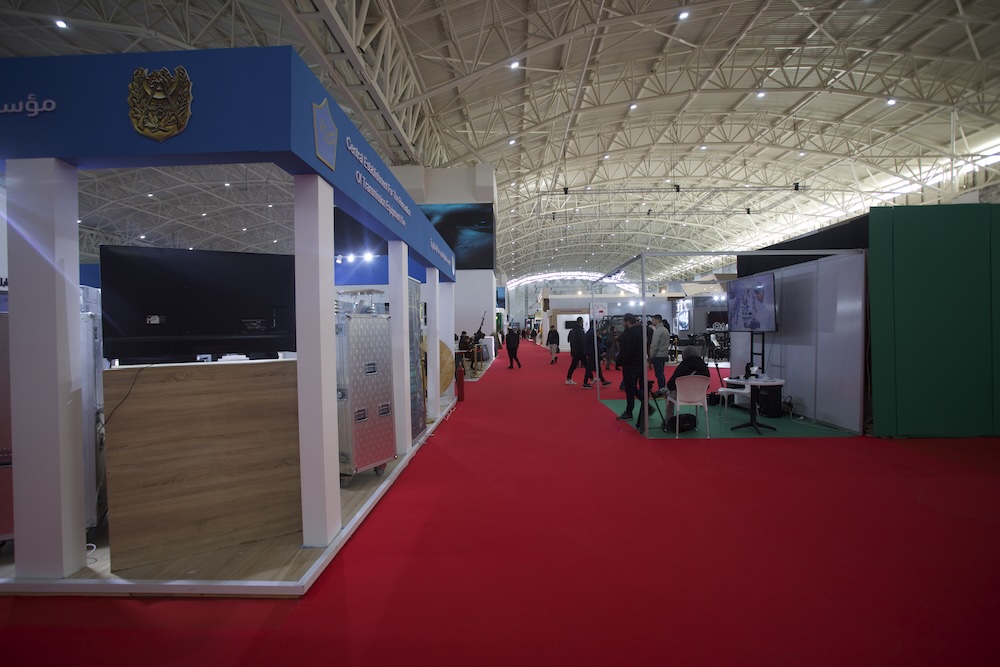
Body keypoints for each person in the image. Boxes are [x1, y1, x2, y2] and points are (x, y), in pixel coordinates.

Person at [657, 345, 710, 421]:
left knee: (669, 393)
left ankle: (668, 420)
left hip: (681, 396)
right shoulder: (704, 367)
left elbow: (671, 385)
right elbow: (707, 386)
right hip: (699, 396)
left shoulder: (682, 367)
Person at [615, 313, 645, 421]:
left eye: (623, 321)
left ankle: (629, 411)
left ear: (627, 322)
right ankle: (646, 405)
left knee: (630, 389)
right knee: (633, 387)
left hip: (631, 364)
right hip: (639, 363)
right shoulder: (641, 331)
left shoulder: (631, 333)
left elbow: (628, 350)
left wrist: (622, 361)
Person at [582, 322, 611, 388]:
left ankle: (603, 380)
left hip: (591, 352)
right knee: (590, 367)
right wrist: (601, 351)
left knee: (596, 367)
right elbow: (595, 343)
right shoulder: (592, 333)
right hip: (592, 352)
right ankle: (585, 383)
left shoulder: (589, 332)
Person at [648, 314, 671, 391]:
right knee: (661, 373)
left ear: (657, 320)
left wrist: (651, 356)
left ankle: (661, 389)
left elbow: (655, 345)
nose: (652, 321)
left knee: (659, 374)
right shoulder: (665, 330)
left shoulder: (658, 331)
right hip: (663, 354)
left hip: (658, 355)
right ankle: (663, 388)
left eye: (653, 320)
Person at [565, 317, 586, 385]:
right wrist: (584, 350)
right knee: (585, 365)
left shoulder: (573, 330)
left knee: (574, 365)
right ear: (581, 322)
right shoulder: (580, 330)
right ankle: (589, 380)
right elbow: (581, 341)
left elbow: (570, 339)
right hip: (580, 351)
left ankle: (568, 378)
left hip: (575, 350)